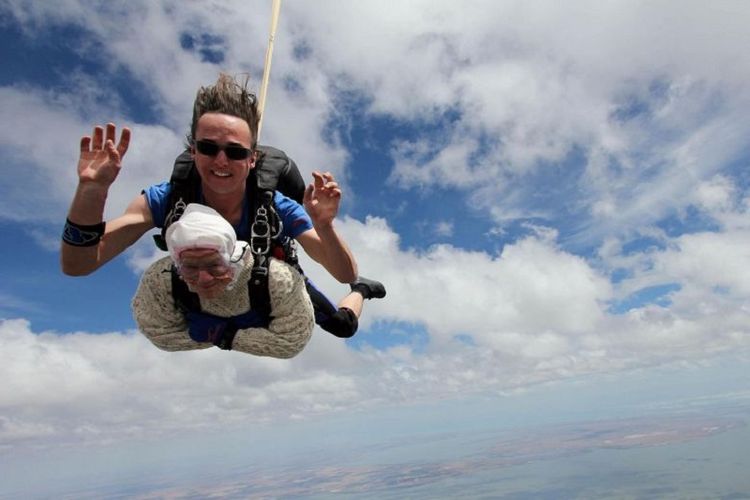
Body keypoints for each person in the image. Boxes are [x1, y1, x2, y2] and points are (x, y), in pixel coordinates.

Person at [61, 73, 385, 337]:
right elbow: (80, 264)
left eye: (235, 152)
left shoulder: (275, 207)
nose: (221, 161)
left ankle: (363, 292)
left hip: (270, 273)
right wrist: (92, 191)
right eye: (208, 147)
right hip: (211, 288)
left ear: (252, 158)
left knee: (342, 327)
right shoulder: (168, 199)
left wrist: (325, 227)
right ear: (192, 151)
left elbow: (344, 272)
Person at [132, 203, 313, 357]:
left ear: (233, 258)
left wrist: (224, 336)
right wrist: (242, 337)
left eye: (214, 265)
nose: (203, 279)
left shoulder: (279, 278)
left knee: (338, 323)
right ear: (177, 264)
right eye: (191, 268)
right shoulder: (159, 279)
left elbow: (292, 341)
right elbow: (159, 333)